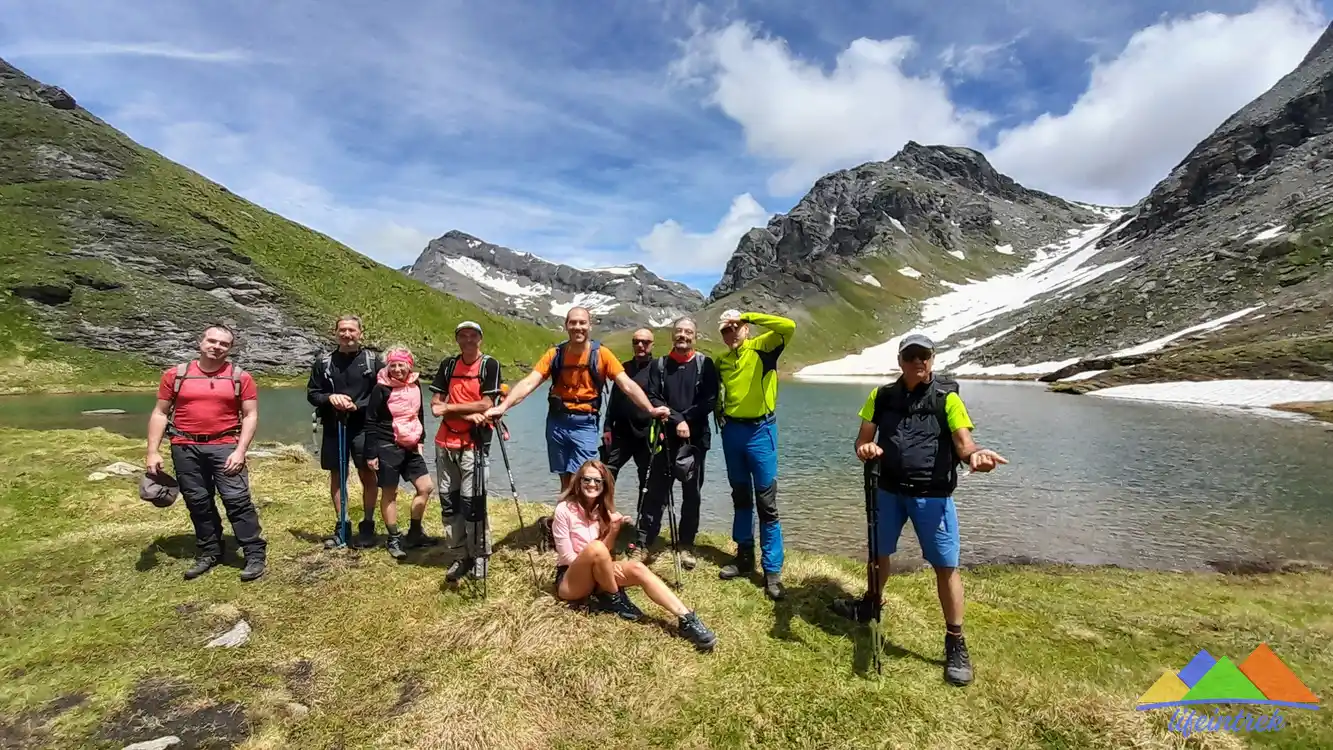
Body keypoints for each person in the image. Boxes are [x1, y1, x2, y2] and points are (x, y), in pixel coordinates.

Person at [832, 333, 1008, 687]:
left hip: (934, 495)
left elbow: (964, 443)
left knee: (945, 565)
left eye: (924, 356)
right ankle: (870, 605)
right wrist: (866, 450)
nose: (919, 362)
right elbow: (862, 439)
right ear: (900, 361)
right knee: (878, 555)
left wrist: (975, 456)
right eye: (911, 356)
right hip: (887, 491)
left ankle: (955, 640)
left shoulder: (948, 398)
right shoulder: (880, 396)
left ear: (932, 358)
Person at [484, 307, 668, 494]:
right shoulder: (555, 354)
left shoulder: (602, 354)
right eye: (573, 322)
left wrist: (651, 410)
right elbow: (530, 382)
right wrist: (503, 407)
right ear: (566, 325)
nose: (577, 327)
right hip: (557, 421)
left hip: (585, 423)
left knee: (583, 477)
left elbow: (627, 385)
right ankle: (566, 519)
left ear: (590, 325)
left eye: (582, 323)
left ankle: (581, 518)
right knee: (565, 477)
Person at [551, 459, 718, 652]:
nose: (592, 484)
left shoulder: (603, 509)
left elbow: (606, 553)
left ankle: (687, 618)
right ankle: (615, 599)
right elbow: (567, 557)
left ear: (605, 485)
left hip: (597, 574)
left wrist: (614, 529)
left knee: (638, 568)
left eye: (598, 481)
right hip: (570, 580)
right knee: (595, 547)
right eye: (587, 479)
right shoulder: (564, 510)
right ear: (578, 481)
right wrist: (595, 565)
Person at [145, 323, 266, 581]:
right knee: (198, 501)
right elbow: (160, 413)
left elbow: (250, 415)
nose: (216, 347)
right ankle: (210, 551)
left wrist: (241, 450)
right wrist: (152, 451)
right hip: (184, 446)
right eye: (212, 341)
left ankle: (254, 553)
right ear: (200, 342)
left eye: (223, 344)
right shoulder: (175, 375)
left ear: (230, 349)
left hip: (225, 446)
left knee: (237, 499)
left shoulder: (240, 377)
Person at [713, 309, 796, 600]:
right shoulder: (721, 361)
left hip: (762, 432)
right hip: (732, 433)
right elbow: (716, 394)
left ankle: (772, 571)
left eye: (736, 327)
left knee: (766, 501)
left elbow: (788, 326)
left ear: (746, 329)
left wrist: (747, 314)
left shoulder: (763, 348)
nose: (732, 333)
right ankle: (744, 558)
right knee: (740, 497)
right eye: (726, 329)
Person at [639, 317, 718, 569]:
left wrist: (686, 419)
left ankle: (686, 545)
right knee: (656, 492)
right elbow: (652, 396)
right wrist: (676, 420)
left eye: (688, 332)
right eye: (679, 331)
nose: (683, 335)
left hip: (695, 442)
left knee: (691, 494)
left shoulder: (705, 365)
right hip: (665, 438)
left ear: (695, 336)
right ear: (673, 335)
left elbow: (710, 400)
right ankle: (644, 541)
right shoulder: (659, 365)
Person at [429, 320, 503, 583]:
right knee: (450, 501)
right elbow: (434, 404)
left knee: (474, 502)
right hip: (444, 443)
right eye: (463, 335)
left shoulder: (489, 365)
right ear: (457, 339)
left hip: (475, 443)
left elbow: (486, 403)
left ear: (480, 339)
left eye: (473, 335)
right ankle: (460, 554)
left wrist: (451, 408)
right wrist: (467, 411)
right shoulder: (448, 364)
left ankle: (480, 555)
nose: (468, 340)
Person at [307, 315, 383, 549]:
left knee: (368, 474)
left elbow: (382, 394)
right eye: (342, 330)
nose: (347, 334)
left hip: (364, 427)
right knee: (337, 476)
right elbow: (313, 393)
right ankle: (343, 525)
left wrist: (357, 406)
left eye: (351, 330)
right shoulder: (324, 362)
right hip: (334, 426)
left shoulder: (373, 361)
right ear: (335, 332)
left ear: (361, 333)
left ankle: (368, 525)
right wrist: (331, 398)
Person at [363, 347, 435, 560]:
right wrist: (371, 453)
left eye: (401, 364)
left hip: (411, 445)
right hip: (387, 446)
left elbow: (419, 413)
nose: (396, 369)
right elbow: (371, 421)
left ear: (409, 365)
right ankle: (393, 537)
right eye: (392, 365)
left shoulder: (415, 384)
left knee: (426, 487)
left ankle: (414, 533)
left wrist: (421, 439)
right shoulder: (381, 389)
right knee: (390, 493)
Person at [601, 328, 655, 500]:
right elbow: (613, 401)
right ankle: (604, 515)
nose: (640, 345)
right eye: (636, 342)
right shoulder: (623, 369)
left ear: (651, 345)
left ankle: (642, 523)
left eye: (645, 342)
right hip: (621, 433)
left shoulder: (658, 369)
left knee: (646, 479)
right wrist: (607, 427)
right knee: (606, 473)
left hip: (646, 434)